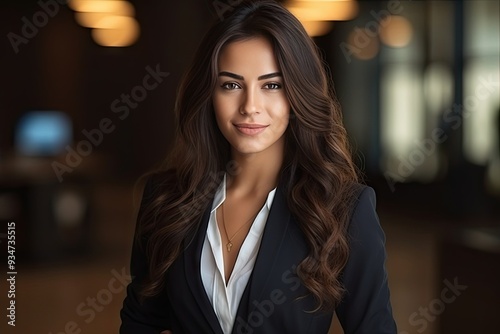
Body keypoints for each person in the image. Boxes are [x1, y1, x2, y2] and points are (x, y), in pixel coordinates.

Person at [120, 1, 397, 333]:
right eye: (231, 85)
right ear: (209, 94)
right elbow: (140, 321)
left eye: (272, 85)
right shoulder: (165, 198)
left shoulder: (342, 209)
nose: (250, 106)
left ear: (297, 94)